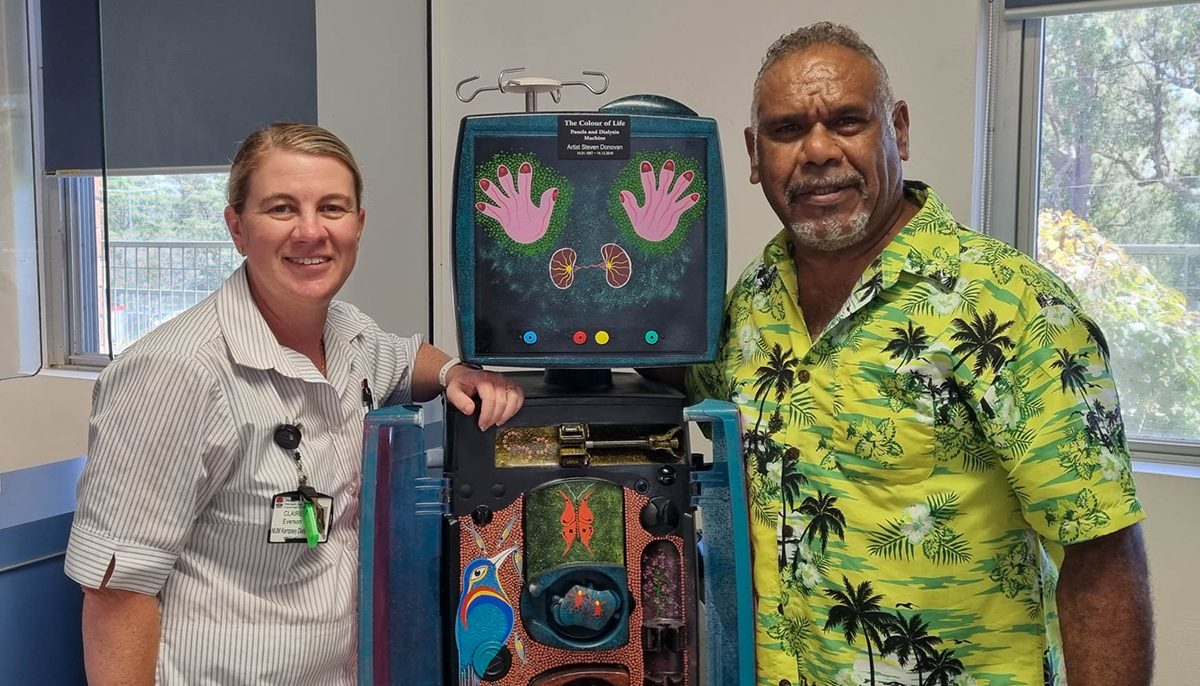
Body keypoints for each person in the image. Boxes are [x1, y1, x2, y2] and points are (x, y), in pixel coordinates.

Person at [685, 23, 1152, 686]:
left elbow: (1099, 549)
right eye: (788, 130)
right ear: (755, 154)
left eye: (848, 121)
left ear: (897, 130)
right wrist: (488, 378)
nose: (818, 151)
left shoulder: (1010, 307)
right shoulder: (746, 309)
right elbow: (646, 381)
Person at [64, 122, 524, 684]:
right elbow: (115, 593)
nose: (311, 232)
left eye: (332, 208)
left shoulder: (345, 334)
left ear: (359, 224)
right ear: (236, 227)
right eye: (281, 209)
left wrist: (458, 370)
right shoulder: (174, 372)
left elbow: (405, 359)